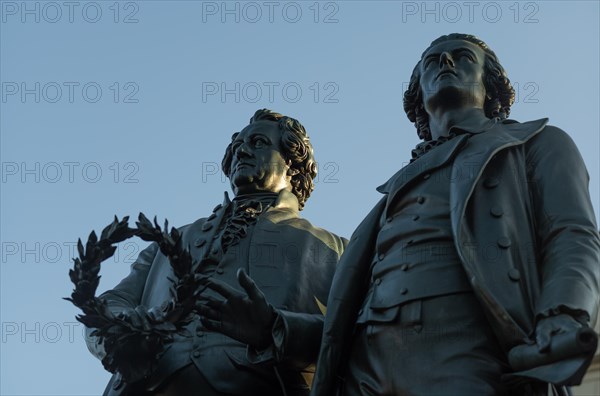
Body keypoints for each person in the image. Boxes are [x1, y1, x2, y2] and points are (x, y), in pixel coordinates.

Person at [309, 33, 600, 395]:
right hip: (365, 363)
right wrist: (274, 325)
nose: (445, 62)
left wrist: (564, 312)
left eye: (462, 57)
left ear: (490, 85)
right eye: (433, 61)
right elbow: (339, 317)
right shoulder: (389, 194)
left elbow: (572, 234)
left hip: (471, 351)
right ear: (418, 94)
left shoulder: (537, 143)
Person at [84, 109, 346, 396]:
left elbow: (361, 336)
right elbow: (111, 304)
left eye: (259, 143)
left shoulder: (336, 249)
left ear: (293, 164)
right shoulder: (174, 240)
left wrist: (275, 328)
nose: (242, 151)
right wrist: (122, 334)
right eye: (236, 147)